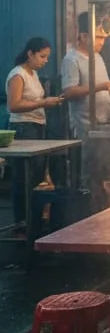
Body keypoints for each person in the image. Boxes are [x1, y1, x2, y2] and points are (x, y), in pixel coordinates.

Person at [6, 38, 64, 227]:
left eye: (47, 57)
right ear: (30, 53)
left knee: (37, 177)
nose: (45, 60)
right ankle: (22, 222)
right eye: (42, 56)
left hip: (37, 126)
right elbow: (14, 105)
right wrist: (43, 103)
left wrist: (48, 101)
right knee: (24, 178)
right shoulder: (18, 74)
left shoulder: (33, 74)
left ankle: (34, 221)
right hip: (24, 128)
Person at [61, 13, 110, 140]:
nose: (102, 42)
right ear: (84, 36)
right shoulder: (71, 60)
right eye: (99, 37)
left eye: (104, 38)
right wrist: (103, 86)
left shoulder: (98, 57)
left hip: (104, 122)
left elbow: (103, 87)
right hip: (85, 126)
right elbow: (69, 92)